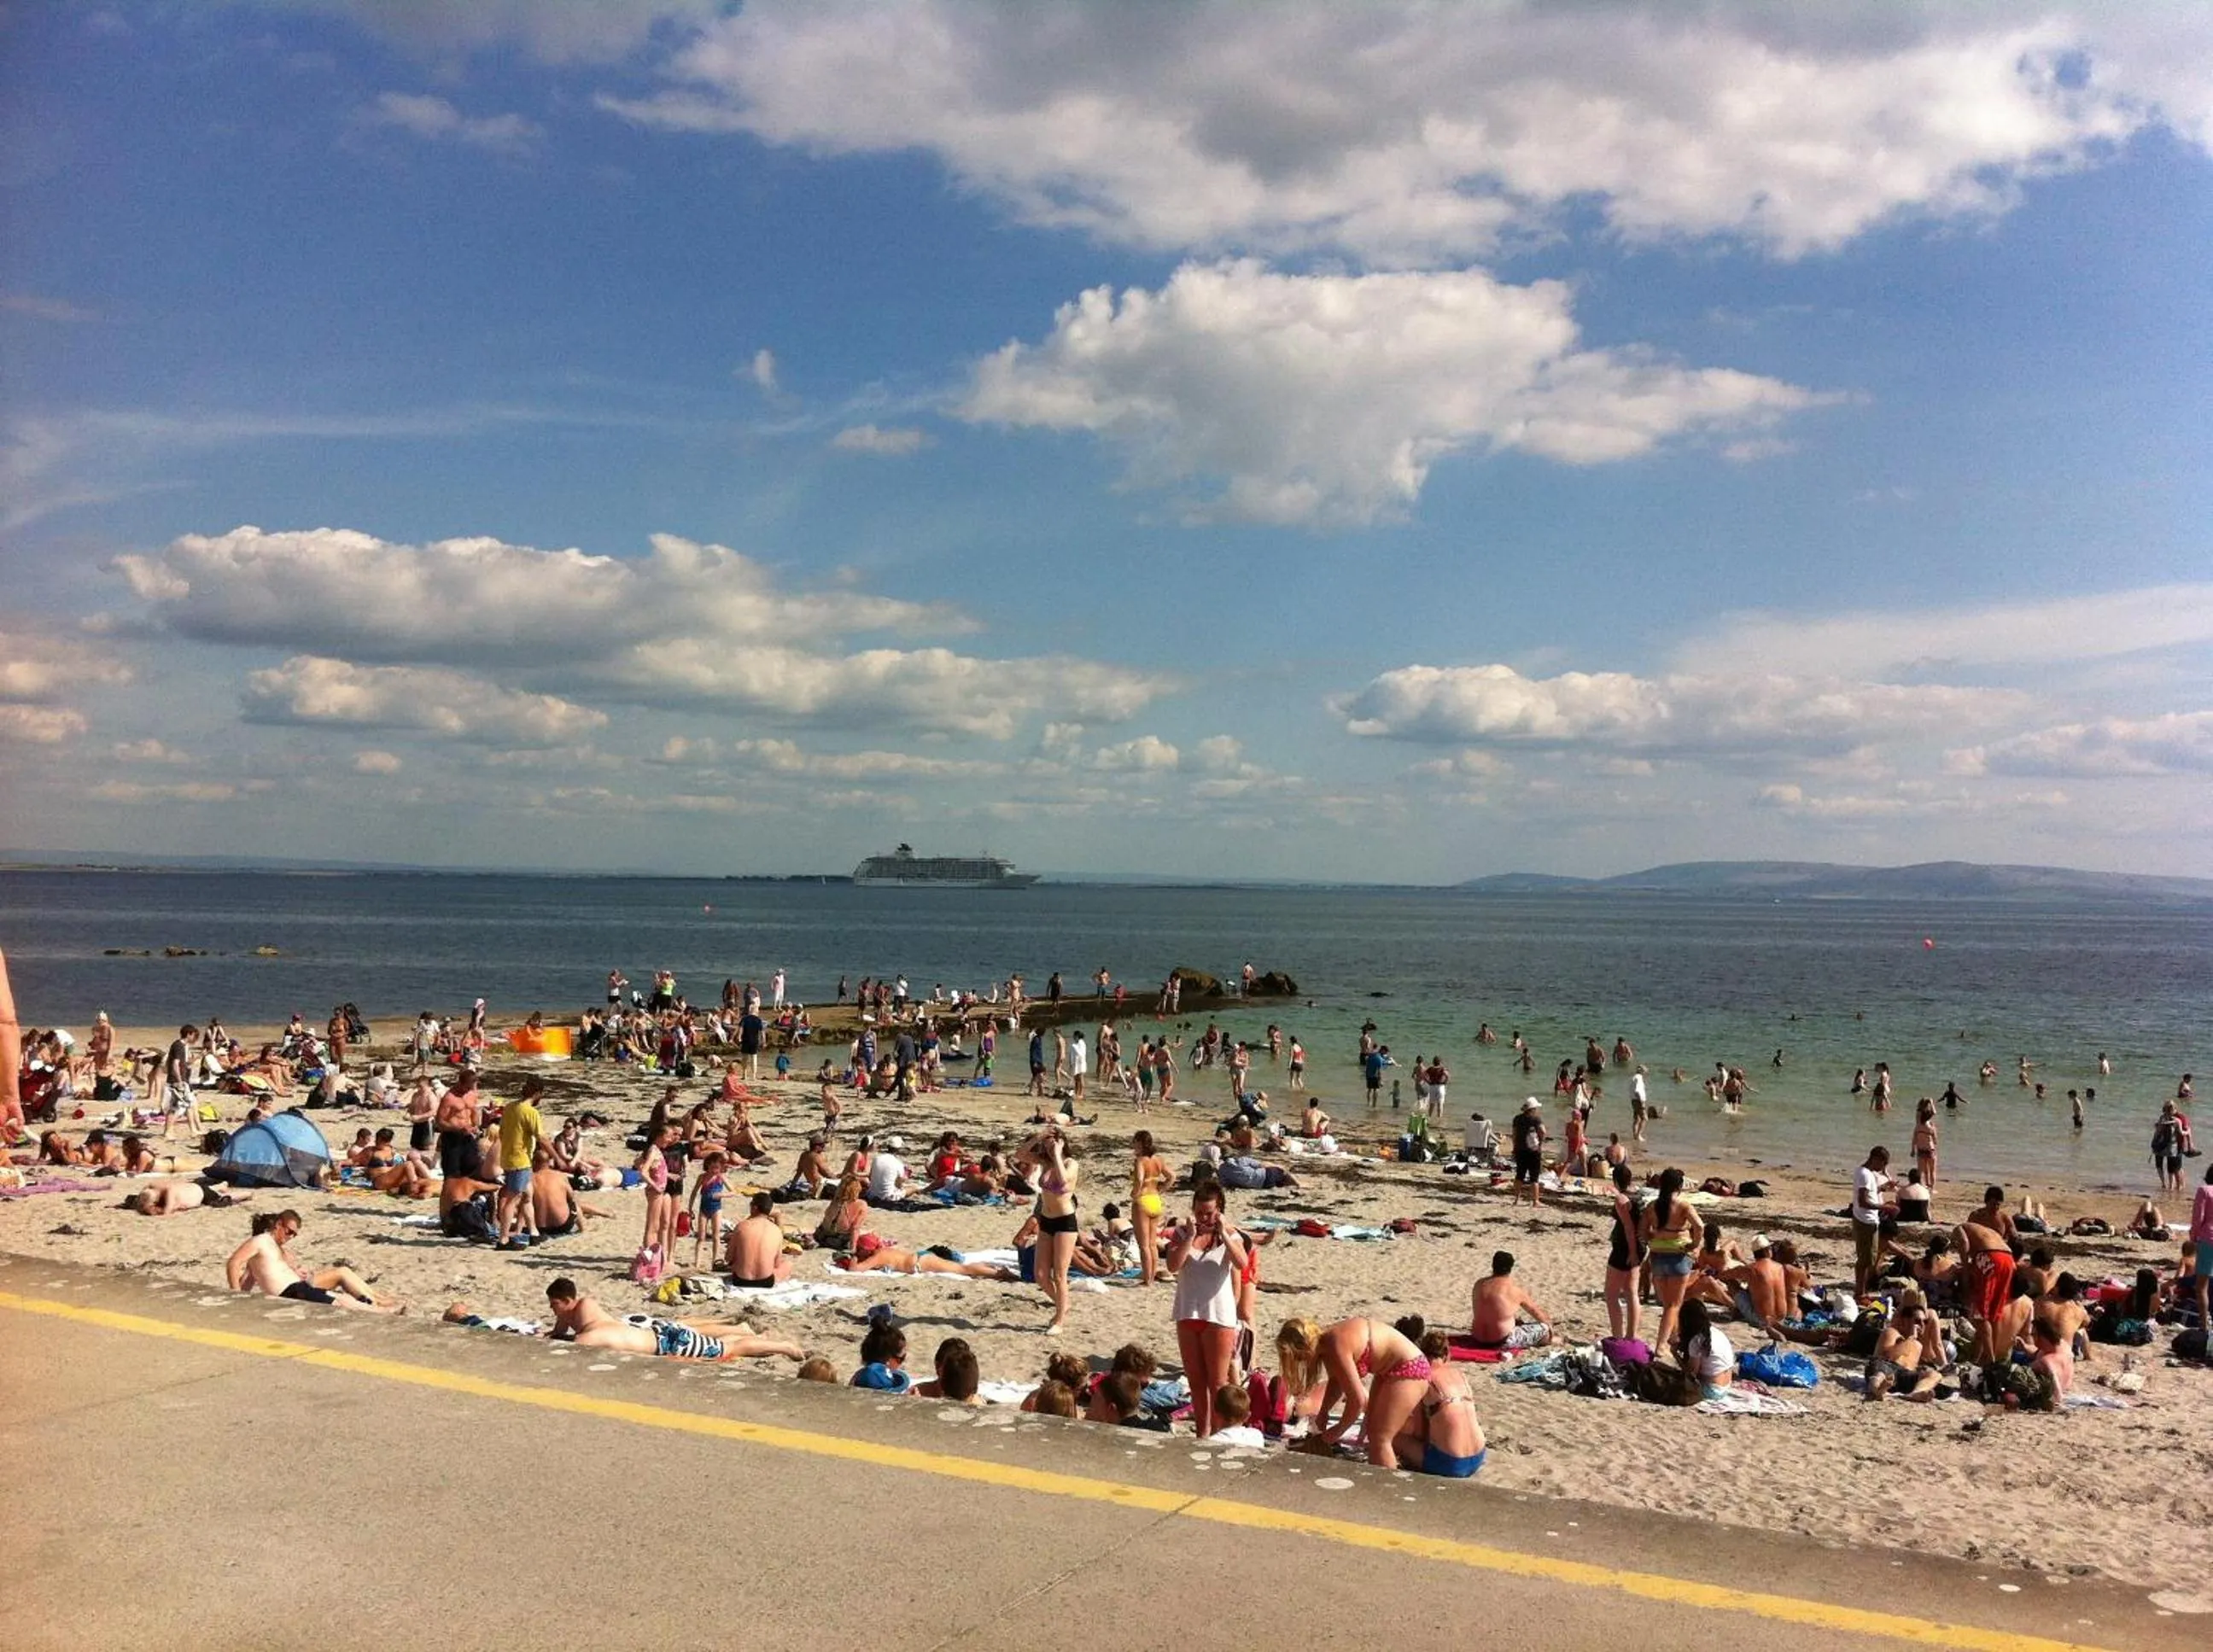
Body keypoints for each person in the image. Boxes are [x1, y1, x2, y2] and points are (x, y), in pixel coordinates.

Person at [1277, 1315, 1431, 1470]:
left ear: (1305, 1349)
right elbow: (1337, 1381)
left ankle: (1385, 1489)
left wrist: (1335, 1433)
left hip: (1409, 1368)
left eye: (1298, 1358)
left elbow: (1358, 1402)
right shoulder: (1327, 1343)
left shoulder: (1335, 1344)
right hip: (1388, 1370)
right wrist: (1324, 1412)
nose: (1301, 1362)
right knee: (1374, 1433)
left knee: (1381, 1438)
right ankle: (1378, 1480)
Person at [545, 1278, 803, 1363]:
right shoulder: (585, 1306)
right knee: (717, 1342)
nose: (552, 1309)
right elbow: (560, 1328)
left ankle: (784, 1347)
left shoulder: (586, 1337)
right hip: (659, 1332)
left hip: (669, 1344)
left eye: (555, 1304)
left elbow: (570, 1346)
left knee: (729, 1349)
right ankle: (759, 1339)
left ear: (568, 1302)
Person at [1167, 1182, 1249, 1437]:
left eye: (1210, 1213)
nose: (1204, 1218)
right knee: (1196, 1381)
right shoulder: (1182, 1234)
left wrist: (1223, 1232)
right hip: (1188, 1312)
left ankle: (1219, 1432)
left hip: (1218, 1316)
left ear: (1219, 1211)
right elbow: (1172, 1265)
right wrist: (1191, 1236)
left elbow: (1242, 1263)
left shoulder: (1231, 1236)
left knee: (1217, 1382)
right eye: (1200, 1212)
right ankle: (1202, 1433)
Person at [225, 1211, 400, 1312]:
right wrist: (236, 1296)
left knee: (339, 1296)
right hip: (290, 1291)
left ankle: (378, 1306)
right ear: (278, 1225)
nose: (291, 1237)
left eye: (294, 1234)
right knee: (340, 1300)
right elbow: (234, 1263)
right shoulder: (261, 1241)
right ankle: (380, 1311)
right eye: (289, 1231)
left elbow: (249, 1280)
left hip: (298, 1287)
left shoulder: (272, 1249)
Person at [1639, 1165, 1703, 1356]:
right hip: (1678, 1255)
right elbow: (1699, 1226)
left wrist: (1652, 1239)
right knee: (1673, 1304)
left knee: (1667, 1303)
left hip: (1658, 1256)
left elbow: (1641, 1230)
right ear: (1679, 1186)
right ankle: (1661, 1344)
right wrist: (1694, 1245)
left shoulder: (1652, 1206)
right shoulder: (1683, 1206)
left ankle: (1674, 1336)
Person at [1025, 1127, 1079, 1335]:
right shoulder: (1045, 1161)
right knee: (1040, 1274)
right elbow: (1019, 1155)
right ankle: (1063, 1304)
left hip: (1065, 1222)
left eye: (1052, 1142)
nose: (1048, 1147)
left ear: (1061, 1142)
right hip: (1046, 1219)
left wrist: (1058, 1153)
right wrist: (1038, 1137)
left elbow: (1064, 1180)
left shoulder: (1070, 1163)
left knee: (1059, 1274)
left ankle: (1059, 1320)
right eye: (1046, 1144)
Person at [1864, 1289, 1946, 1400]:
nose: (1922, 1325)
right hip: (1887, 1366)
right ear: (1905, 1321)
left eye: (1925, 1322)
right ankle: (1876, 1389)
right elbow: (1887, 1356)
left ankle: (1917, 1392)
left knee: (1935, 1375)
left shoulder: (1918, 1345)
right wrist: (1911, 1337)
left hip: (1904, 1374)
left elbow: (1914, 1362)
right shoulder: (1892, 1333)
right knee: (1881, 1373)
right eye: (1917, 1321)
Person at [494, 1077, 544, 1250]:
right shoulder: (530, 1112)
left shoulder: (509, 1108)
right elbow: (541, 1138)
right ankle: (503, 1239)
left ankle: (534, 1232)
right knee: (512, 1199)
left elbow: (502, 1133)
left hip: (510, 1158)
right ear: (538, 1094)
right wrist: (557, 1158)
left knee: (527, 1195)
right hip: (519, 1160)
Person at [1469, 1251, 1553, 1350]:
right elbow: (1537, 1314)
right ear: (1511, 1268)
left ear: (1493, 1265)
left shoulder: (1479, 1284)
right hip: (1501, 1341)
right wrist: (1550, 1326)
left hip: (1477, 1338)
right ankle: (1553, 1340)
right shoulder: (1513, 1289)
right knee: (1545, 1329)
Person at [836, 1234, 1020, 1279]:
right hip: (921, 1256)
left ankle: (998, 1274)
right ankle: (993, 1270)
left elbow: (855, 1269)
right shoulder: (882, 1250)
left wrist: (852, 1257)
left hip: (920, 1263)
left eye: (860, 1249)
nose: (858, 1253)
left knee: (963, 1270)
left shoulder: (876, 1256)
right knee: (960, 1268)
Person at [1603, 1161, 1643, 1341]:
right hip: (1639, 1246)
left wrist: (1632, 1252)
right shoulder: (1637, 1195)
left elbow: (1628, 1227)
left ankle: (1618, 1335)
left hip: (1625, 1248)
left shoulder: (1621, 1200)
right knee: (1631, 1292)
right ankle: (1631, 1335)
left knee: (1611, 1294)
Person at [1851, 1146, 1897, 1296]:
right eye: (1883, 1164)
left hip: (1867, 1219)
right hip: (1866, 1220)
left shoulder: (1866, 1173)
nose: (1883, 1168)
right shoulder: (1864, 1174)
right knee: (1865, 1260)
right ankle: (1860, 1293)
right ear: (1876, 1159)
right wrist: (1884, 1207)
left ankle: (1861, 1291)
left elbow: (1869, 1194)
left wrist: (1882, 1188)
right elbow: (1863, 1201)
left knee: (1868, 1259)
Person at [1130, 1130, 1172, 1287]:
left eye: (1134, 1141)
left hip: (1143, 1200)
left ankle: (1147, 1279)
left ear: (1139, 1143)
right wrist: (1162, 1188)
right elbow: (1171, 1176)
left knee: (1144, 1245)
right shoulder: (1158, 1160)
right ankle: (1152, 1276)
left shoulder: (1140, 1160)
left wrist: (1134, 1193)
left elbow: (1140, 1178)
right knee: (1153, 1243)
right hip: (1156, 1199)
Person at [727, 1190, 793, 1288]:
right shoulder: (776, 1230)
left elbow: (728, 1258)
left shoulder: (741, 1226)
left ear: (754, 1207)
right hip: (766, 1281)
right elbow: (777, 1263)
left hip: (740, 1280)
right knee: (788, 1264)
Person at [1674, 1298, 1732, 1400]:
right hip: (1726, 1386)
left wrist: (1674, 1353)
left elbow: (1691, 1374)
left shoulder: (1697, 1340)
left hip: (1713, 1390)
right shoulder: (1716, 1332)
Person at [2188, 1162, 2213, 1329]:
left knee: (2201, 1286)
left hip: (2208, 1238)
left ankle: (2204, 1325)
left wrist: (2193, 1237)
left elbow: (2198, 1218)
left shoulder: (2204, 1191)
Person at [1510, 1097, 1546, 1207]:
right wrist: (1540, 1143)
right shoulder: (1536, 1119)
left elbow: (1514, 1135)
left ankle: (1516, 1199)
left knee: (1519, 1175)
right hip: (1533, 1151)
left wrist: (1515, 1147)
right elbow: (1543, 1132)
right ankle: (1535, 1201)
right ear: (1533, 1109)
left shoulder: (1517, 1119)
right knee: (1534, 1177)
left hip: (1520, 1150)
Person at [1912, 1098, 1939, 1190]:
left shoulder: (1918, 1125)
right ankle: (1932, 1188)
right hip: (1930, 1149)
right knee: (1932, 1171)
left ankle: (1922, 1185)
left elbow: (1914, 1138)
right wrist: (1931, 1102)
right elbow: (1935, 1141)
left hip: (1920, 1148)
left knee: (1921, 1170)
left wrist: (1912, 1149)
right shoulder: (1931, 1127)